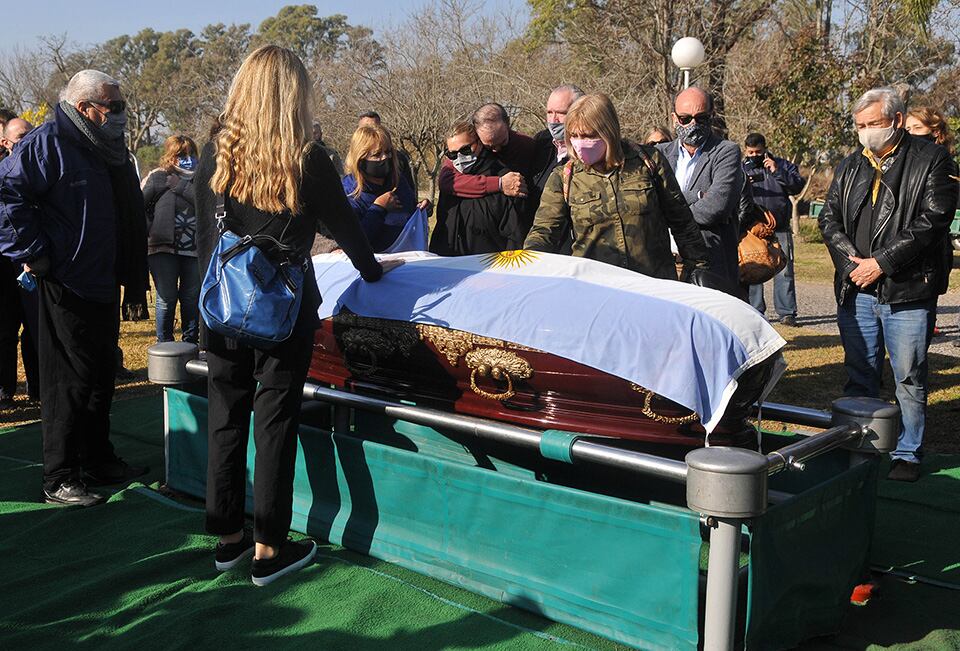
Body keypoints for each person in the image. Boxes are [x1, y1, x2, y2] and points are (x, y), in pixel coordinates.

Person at [196, 46, 401, 586]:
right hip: (282, 309)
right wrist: (374, 271)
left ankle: (228, 539)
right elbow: (347, 230)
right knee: (275, 421)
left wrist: (206, 307)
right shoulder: (307, 160)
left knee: (225, 416)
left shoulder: (218, 153)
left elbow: (206, 239)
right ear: (294, 95)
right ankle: (269, 548)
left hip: (221, 304)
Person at [0, 69, 150, 506]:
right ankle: (60, 476)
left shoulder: (107, 147)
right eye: (114, 107)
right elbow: (6, 196)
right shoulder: (48, 143)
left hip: (104, 279)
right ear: (85, 108)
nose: (121, 114)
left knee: (101, 375)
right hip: (66, 282)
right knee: (67, 382)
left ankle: (97, 458)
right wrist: (35, 252)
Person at [818, 87, 958, 482]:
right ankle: (859, 445)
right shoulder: (851, 164)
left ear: (896, 120)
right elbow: (829, 219)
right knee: (859, 373)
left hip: (907, 290)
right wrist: (852, 264)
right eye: (859, 125)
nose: (866, 132)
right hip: (856, 288)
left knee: (908, 376)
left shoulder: (932, 159)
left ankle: (907, 452)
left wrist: (882, 263)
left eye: (873, 124)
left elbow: (933, 220)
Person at [525, 93, 710, 278]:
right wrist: (527, 266)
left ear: (608, 131)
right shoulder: (564, 177)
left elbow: (682, 222)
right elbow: (544, 232)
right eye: (574, 135)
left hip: (652, 283)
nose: (580, 142)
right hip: (598, 286)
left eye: (588, 135)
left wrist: (698, 269)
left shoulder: (649, 161)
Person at [656, 88, 743, 288]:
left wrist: (667, 209)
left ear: (712, 116)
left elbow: (715, 208)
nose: (693, 124)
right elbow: (649, 205)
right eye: (685, 119)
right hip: (663, 266)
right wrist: (696, 195)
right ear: (674, 118)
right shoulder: (659, 154)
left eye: (701, 118)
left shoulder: (726, 152)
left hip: (708, 267)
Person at [430, 119, 529, 255]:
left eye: (465, 150)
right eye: (452, 154)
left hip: (489, 264)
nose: (459, 158)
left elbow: (515, 235)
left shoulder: (508, 181)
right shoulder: (450, 181)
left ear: (480, 143)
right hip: (448, 260)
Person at [141, 135, 201, 344]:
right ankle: (164, 344)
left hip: (195, 250)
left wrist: (181, 187)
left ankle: (190, 343)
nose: (188, 159)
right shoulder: (158, 177)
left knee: (191, 298)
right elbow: (138, 207)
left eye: (192, 154)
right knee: (166, 298)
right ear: (171, 156)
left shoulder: (203, 179)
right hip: (162, 249)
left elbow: (206, 206)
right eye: (182, 155)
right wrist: (150, 229)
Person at [741, 132, 805, 325]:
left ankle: (787, 313)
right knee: (753, 268)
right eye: (750, 152)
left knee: (784, 271)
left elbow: (797, 186)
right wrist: (743, 181)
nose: (754, 156)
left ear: (765, 149)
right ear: (745, 151)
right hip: (752, 229)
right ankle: (755, 311)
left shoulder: (783, 165)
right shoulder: (739, 168)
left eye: (758, 152)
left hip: (780, 226)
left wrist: (777, 171)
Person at [342, 124, 430, 251]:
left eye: (388, 152)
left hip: (408, 258)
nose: (384, 158)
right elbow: (354, 241)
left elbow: (409, 212)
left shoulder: (398, 181)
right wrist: (379, 208)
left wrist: (421, 209)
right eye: (377, 154)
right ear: (360, 158)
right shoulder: (349, 191)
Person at [0, 116, 38, 406]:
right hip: (3, 263)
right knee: (4, 329)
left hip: (31, 260)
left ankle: (39, 386)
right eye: (20, 136)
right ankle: (4, 389)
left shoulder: (39, 170)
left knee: (36, 326)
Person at [437, 103, 535, 208]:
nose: (496, 149)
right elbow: (447, 181)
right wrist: (499, 184)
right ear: (477, 137)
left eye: (502, 142)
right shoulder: (463, 152)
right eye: (489, 146)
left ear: (508, 124)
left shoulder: (527, 145)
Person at [531, 85, 584, 217]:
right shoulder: (541, 142)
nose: (554, 120)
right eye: (549, 112)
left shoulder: (589, 151)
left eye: (561, 113)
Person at [357, 110, 416, 191]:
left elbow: (409, 190)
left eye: (376, 127)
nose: (384, 157)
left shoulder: (398, 159)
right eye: (366, 128)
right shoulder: (349, 185)